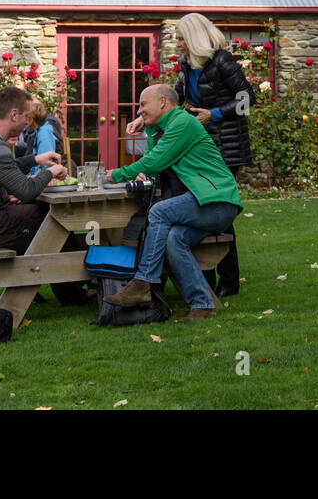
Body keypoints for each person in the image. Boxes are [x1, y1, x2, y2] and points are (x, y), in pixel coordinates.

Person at [128, 13, 252, 297]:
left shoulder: (223, 62)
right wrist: (144, 118)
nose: (178, 44)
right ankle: (202, 277)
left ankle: (228, 280)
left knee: (217, 208)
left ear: (195, 37)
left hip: (226, 145)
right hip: (199, 144)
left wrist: (214, 114)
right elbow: (172, 99)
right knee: (195, 209)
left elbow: (247, 99)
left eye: (182, 39)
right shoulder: (187, 66)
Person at [103, 85, 243, 322]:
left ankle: (143, 283)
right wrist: (147, 126)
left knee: (159, 211)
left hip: (217, 200)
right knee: (173, 239)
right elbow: (151, 161)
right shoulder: (165, 127)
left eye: (142, 105)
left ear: (162, 102)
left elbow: (155, 161)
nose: (139, 111)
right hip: (204, 202)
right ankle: (202, 305)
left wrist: (116, 174)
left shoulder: (182, 123)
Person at [0, 87, 87, 303]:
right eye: (26, 116)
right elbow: (26, 191)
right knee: (54, 223)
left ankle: (61, 289)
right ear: (13, 115)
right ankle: (74, 294)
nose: (27, 122)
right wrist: (51, 171)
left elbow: (5, 167)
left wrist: (36, 160)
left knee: (43, 215)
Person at [22, 99, 64, 176]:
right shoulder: (37, 131)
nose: (24, 120)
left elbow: (45, 165)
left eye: (26, 117)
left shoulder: (44, 133)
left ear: (32, 118)